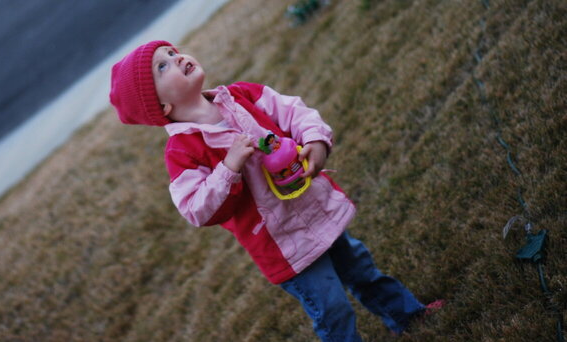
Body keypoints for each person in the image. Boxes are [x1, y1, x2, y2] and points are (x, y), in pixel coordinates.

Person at [109, 40, 443, 341]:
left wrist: (314, 139)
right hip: (282, 244)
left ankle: (407, 316)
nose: (176, 57)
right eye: (163, 66)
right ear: (161, 106)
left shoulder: (241, 95)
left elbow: (293, 111)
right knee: (332, 309)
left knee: (362, 269)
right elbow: (196, 208)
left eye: (171, 51)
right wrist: (229, 168)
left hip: (315, 209)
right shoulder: (183, 151)